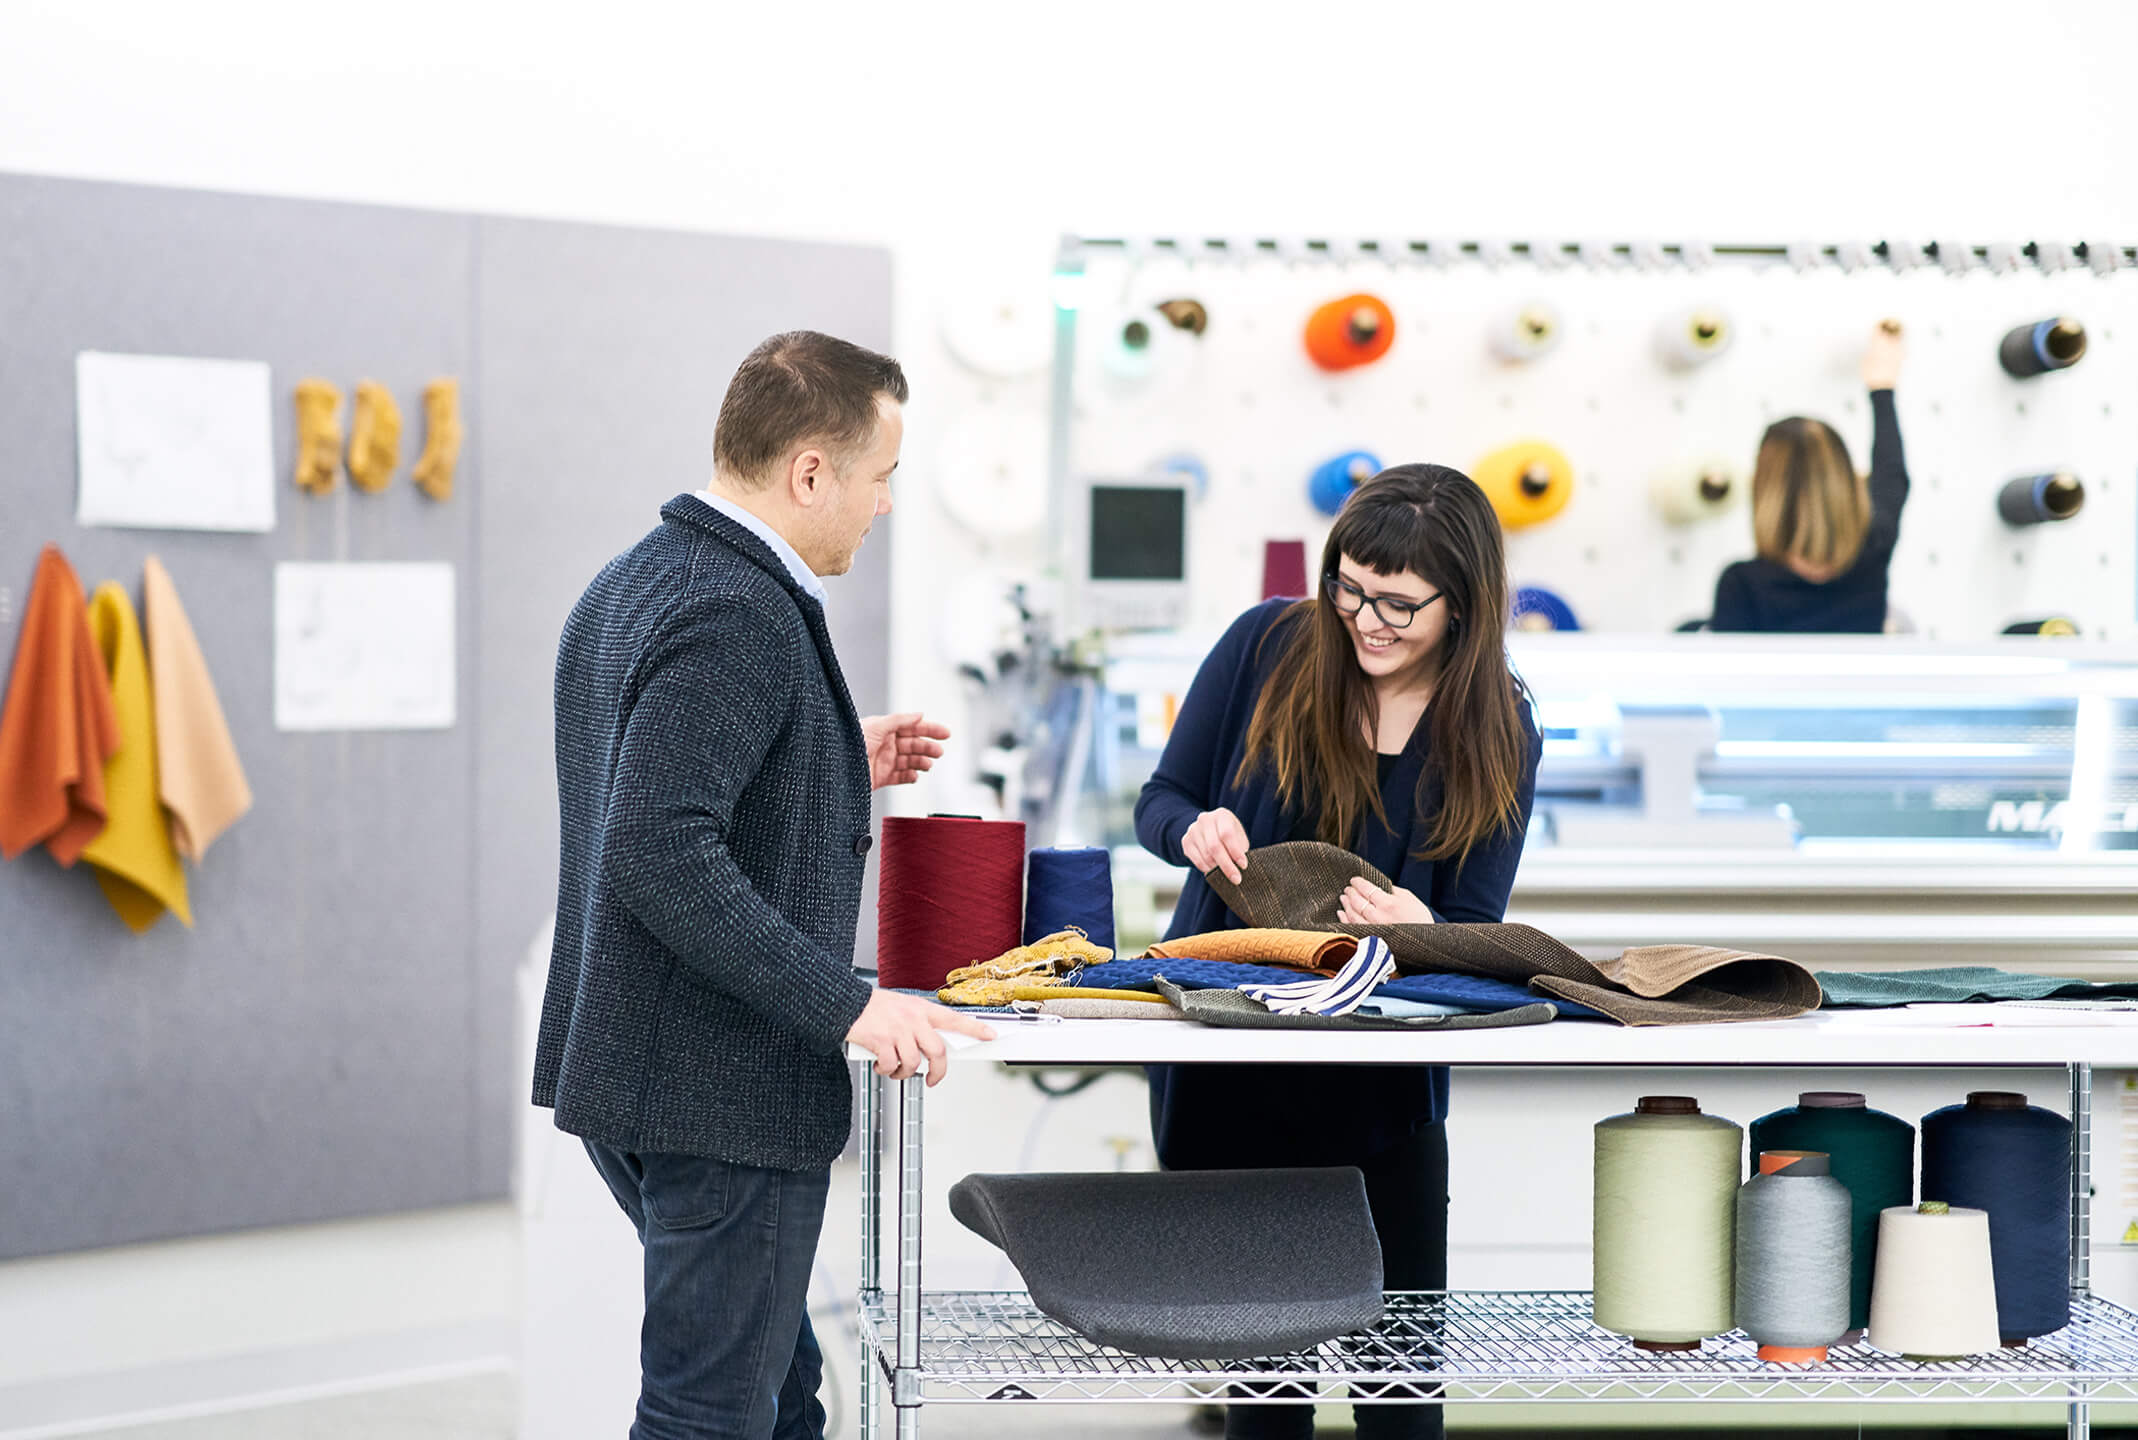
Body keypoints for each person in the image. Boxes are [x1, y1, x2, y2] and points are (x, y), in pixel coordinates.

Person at [535, 330, 994, 1439]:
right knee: (712, 1419)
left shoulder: (636, 580)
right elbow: (657, 849)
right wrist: (851, 1002)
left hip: (646, 1074)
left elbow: (655, 787)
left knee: (783, 1405)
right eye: (881, 476)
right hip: (717, 1091)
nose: (885, 503)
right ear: (808, 473)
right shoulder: (738, 609)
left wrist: (836, 755)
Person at [1134, 464, 1542, 1440]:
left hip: (1381, 1102)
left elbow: (1476, 933)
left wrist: (1418, 925)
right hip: (1230, 1071)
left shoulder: (1495, 727)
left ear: (1464, 605)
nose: (1364, 620)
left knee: (1399, 1400)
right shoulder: (1263, 649)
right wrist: (1190, 834)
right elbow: (1160, 800)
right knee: (1263, 1403)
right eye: (1348, 589)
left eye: (1398, 605)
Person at [1709, 320, 1909, 632]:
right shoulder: (1874, 552)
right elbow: (1892, 476)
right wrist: (1882, 387)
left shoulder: (1743, 585)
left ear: (1766, 494)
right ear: (1845, 481)